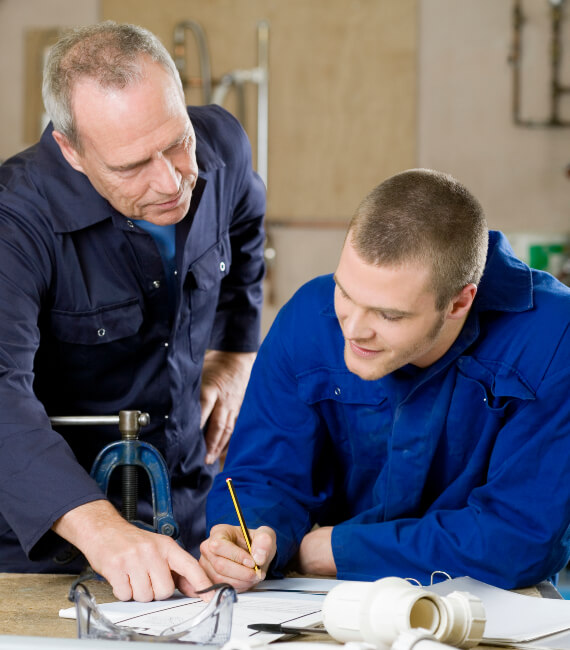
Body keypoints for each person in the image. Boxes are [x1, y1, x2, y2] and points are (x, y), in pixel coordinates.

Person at [200, 168, 570, 592]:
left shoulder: (554, 340)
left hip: (499, 609)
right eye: (344, 292)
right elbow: (264, 479)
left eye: (388, 315)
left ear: (459, 302)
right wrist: (250, 536)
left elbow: (518, 538)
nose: (353, 329)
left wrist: (335, 550)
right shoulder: (307, 319)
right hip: (336, 601)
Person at [0, 21, 265, 601]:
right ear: (71, 151)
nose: (171, 181)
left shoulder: (222, 143)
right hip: (46, 549)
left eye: (176, 143)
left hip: (188, 510)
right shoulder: (14, 221)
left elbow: (246, 226)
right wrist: (100, 529)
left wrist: (235, 352)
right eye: (131, 167)